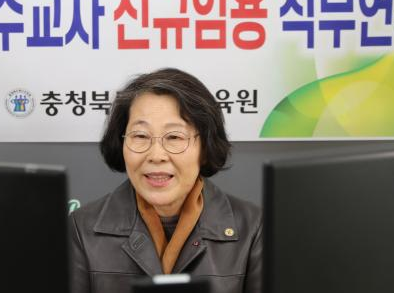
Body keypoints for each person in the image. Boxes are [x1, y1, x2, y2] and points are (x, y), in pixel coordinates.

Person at [69, 68, 262, 293]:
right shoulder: (81, 229)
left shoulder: (253, 228)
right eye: (140, 136)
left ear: (205, 147)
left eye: (174, 137)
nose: (156, 155)